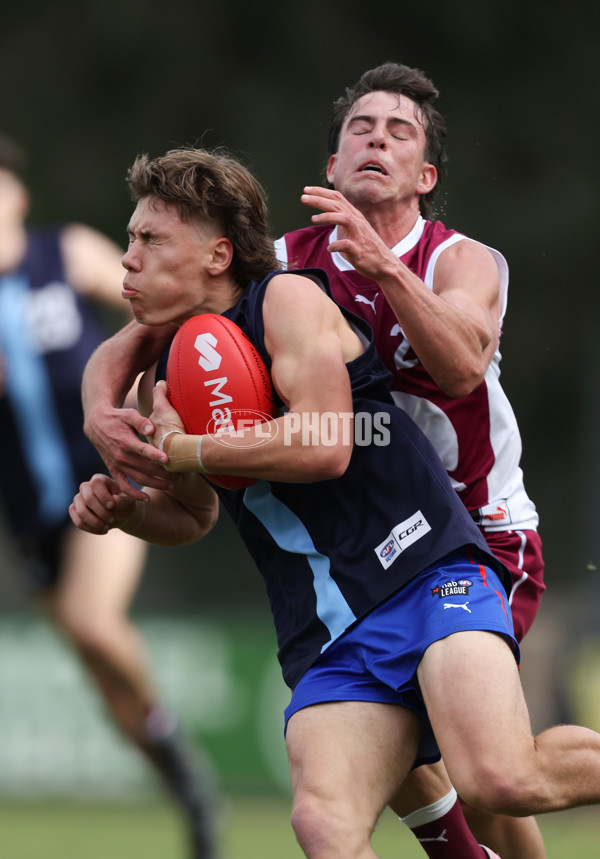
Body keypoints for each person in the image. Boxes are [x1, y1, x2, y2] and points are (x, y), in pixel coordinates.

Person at [69, 146, 600, 859]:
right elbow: (192, 516)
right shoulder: (163, 377)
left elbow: (326, 443)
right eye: (131, 239)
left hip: (426, 572)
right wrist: (127, 511)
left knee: (498, 778)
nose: (128, 257)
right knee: (323, 824)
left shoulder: (287, 301)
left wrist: (188, 450)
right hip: (327, 638)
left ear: (219, 254)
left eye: (149, 239)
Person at [0, 135, 219, 859]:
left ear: (18, 195)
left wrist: (157, 388)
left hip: (107, 480)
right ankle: (186, 786)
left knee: (95, 625)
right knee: (104, 682)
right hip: (31, 518)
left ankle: (188, 775)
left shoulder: (62, 254)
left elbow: (152, 305)